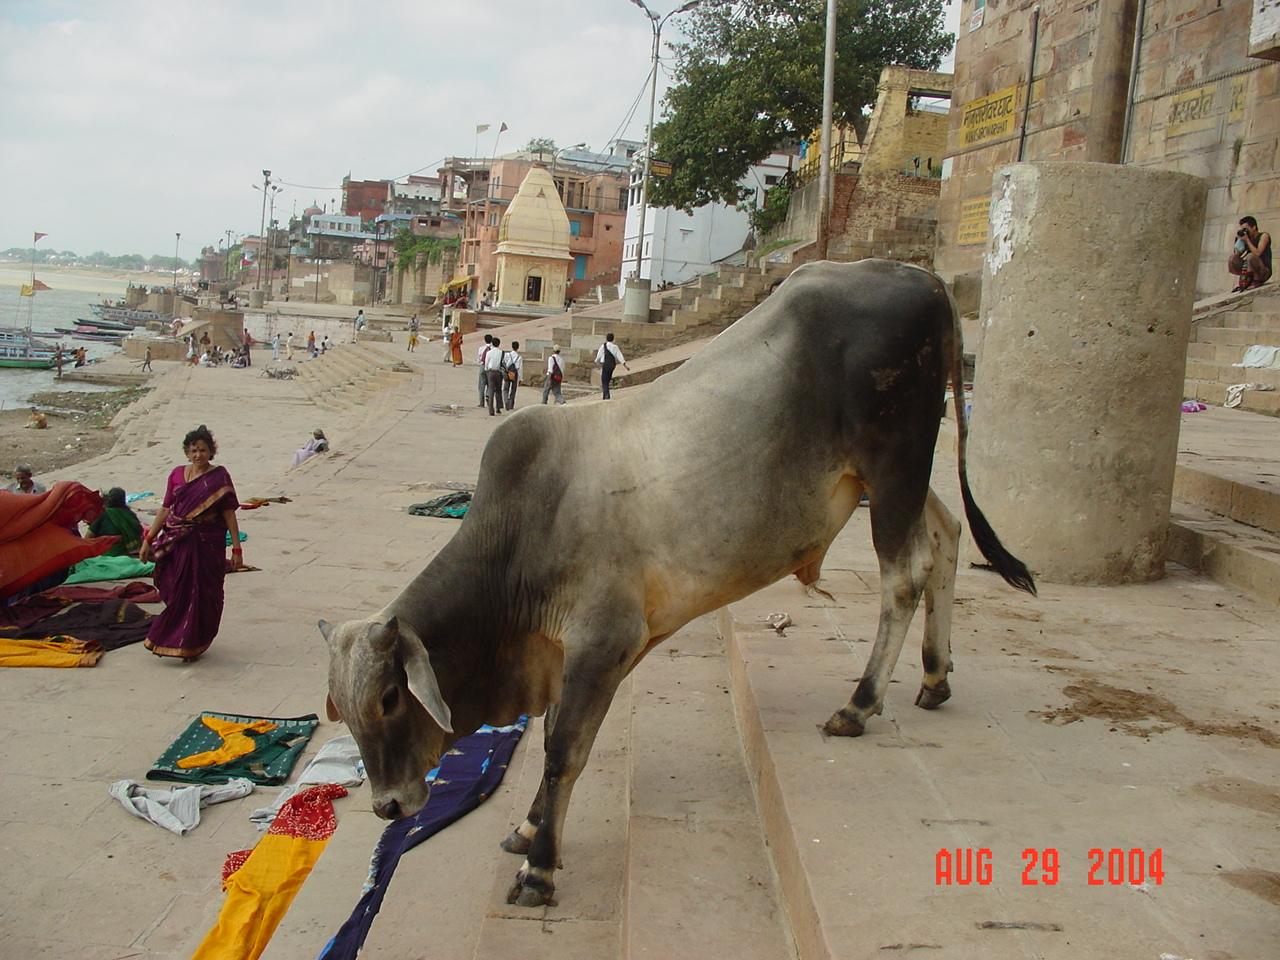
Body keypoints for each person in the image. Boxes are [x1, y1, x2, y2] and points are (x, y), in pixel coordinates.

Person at [139, 425, 242, 661]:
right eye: (194, 450)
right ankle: (174, 637)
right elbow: (165, 509)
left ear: (211, 451)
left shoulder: (219, 477)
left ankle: (194, 642)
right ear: (187, 452)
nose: (198, 455)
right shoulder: (176, 474)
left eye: (203, 450)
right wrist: (148, 539)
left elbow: (229, 514)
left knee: (203, 594)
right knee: (178, 591)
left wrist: (237, 548)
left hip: (207, 544)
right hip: (178, 541)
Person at [89, 487, 143, 555]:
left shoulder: (103, 514)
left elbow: (88, 537)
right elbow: (139, 531)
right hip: (127, 553)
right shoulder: (130, 515)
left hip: (106, 554)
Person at [1229, 216, 1272, 292]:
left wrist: (1247, 241)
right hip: (1249, 270)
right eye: (1243, 229)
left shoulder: (1264, 236)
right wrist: (1239, 242)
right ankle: (1247, 280)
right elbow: (1237, 255)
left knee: (1250, 256)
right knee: (1232, 258)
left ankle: (1256, 280)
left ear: (1254, 227)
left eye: (1246, 229)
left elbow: (1258, 253)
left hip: (1264, 271)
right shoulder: (1246, 238)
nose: (1245, 232)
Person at [595, 332, 630, 400]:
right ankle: (606, 395)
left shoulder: (603, 346)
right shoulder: (615, 347)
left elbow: (599, 356)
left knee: (604, 381)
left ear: (606, 338)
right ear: (613, 339)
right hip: (612, 366)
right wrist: (625, 366)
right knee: (607, 379)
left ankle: (606, 395)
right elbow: (620, 356)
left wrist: (597, 362)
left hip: (605, 365)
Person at [484, 335, 505, 415]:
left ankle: (491, 409)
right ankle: (498, 407)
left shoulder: (489, 353)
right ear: (499, 344)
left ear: (492, 343)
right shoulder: (502, 353)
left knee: (491, 390)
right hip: (499, 372)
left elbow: (486, 363)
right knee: (498, 390)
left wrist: (486, 370)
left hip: (491, 372)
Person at [503, 340, 523, 410]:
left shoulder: (507, 355)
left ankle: (506, 400)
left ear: (512, 347)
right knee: (513, 389)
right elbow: (520, 369)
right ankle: (511, 404)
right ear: (518, 347)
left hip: (508, 372)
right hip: (515, 373)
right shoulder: (519, 357)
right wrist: (520, 379)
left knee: (506, 388)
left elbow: (504, 363)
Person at [477, 334, 494, 406]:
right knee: (490, 384)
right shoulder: (493, 349)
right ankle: (488, 395)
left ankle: (481, 402)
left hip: (483, 366)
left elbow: (479, 359)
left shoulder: (481, 348)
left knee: (481, 385)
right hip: (490, 368)